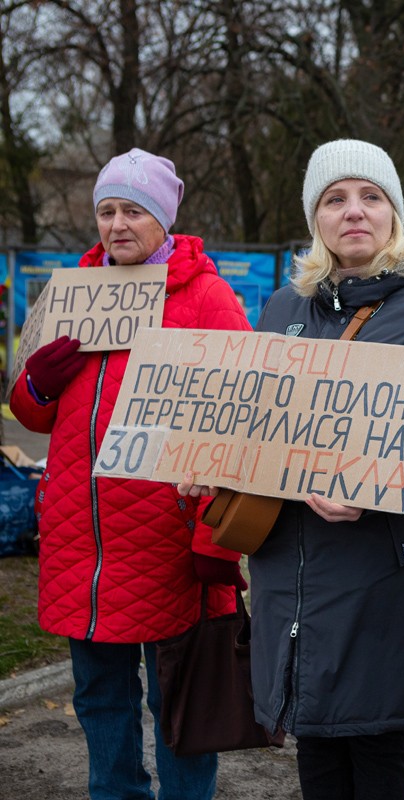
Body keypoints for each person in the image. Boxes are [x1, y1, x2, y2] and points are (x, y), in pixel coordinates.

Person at [185, 139, 404, 799]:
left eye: (370, 197)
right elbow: (256, 422)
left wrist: (376, 480)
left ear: (394, 214)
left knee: (376, 746)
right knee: (316, 741)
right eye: (335, 199)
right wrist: (211, 457)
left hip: (379, 572)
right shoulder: (284, 309)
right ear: (315, 218)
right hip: (288, 572)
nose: (354, 211)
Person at [10, 148, 251, 800]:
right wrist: (38, 379)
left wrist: (211, 517)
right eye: (107, 210)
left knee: (180, 706)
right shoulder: (75, 292)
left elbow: (244, 418)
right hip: (79, 545)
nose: (117, 224)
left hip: (168, 546)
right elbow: (29, 412)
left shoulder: (206, 297)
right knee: (98, 698)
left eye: (134, 210)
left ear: (164, 219)